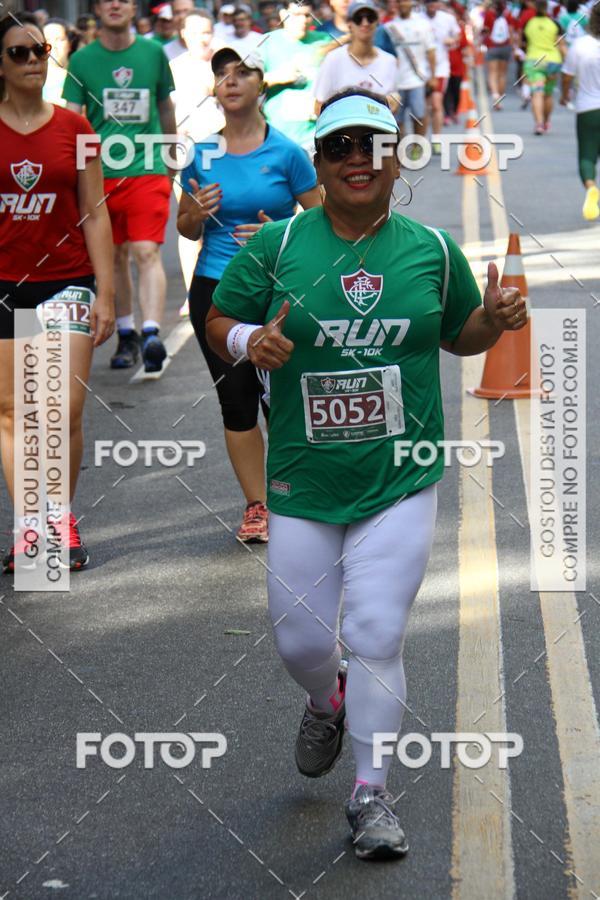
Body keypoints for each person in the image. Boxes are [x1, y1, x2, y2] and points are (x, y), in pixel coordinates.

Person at [205, 87, 526, 858]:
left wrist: (498, 318)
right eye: (340, 146)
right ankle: (326, 699)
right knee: (301, 645)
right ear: (318, 160)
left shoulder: (432, 250)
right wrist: (252, 341)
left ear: (396, 159)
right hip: (303, 482)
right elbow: (219, 320)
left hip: (400, 476)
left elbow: (461, 336)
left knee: (377, 629)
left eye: (372, 146)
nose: (357, 158)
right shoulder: (277, 247)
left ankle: (371, 794)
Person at [177, 47, 321, 542]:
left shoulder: (286, 153)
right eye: (222, 74)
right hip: (218, 289)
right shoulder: (199, 153)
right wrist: (194, 213)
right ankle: (258, 506)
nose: (231, 81)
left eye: (243, 73)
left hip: (278, 289)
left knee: (283, 397)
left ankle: (297, 494)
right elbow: (185, 227)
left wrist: (278, 229)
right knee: (235, 399)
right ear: (214, 90)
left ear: (263, 85)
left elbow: (324, 224)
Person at [0, 12, 114, 573]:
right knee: (13, 410)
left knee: (61, 408)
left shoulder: (76, 130)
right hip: (3, 286)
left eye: (38, 50)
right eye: (18, 53)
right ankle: (28, 528)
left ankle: (59, 517)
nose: (31, 61)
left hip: (66, 279)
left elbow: (95, 212)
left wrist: (108, 293)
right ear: (0, 64)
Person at [64, 0, 176, 373]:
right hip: (98, 173)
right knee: (112, 257)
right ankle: (126, 334)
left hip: (146, 166)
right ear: (97, 8)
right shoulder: (81, 61)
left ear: (133, 9)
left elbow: (165, 108)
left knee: (146, 251)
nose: (115, 4)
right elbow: (70, 116)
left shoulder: (154, 53)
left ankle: (152, 333)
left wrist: (171, 156)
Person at [170, 9, 224, 311]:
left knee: (221, 215)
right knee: (189, 217)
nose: (203, 38)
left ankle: (224, 287)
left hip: (223, 150)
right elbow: (166, 112)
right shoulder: (174, 68)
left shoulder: (225, 64)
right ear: (184, 35)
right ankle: (194, 291)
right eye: (196, 32)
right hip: (187, 150)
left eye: (207, 31)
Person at [260, 0, 330, 148]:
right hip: (279, 135)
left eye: (307, 15)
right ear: (283, 14)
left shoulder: (324, 40)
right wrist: (276, 77)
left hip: (316, 135)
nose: (303, 21)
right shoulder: (266, 42)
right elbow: (247, 84)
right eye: (296, 15)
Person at [314, 0, 398, 113]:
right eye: (358, 18)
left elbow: (392, 108)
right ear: (349, 24)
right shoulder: (333, 59)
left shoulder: (389, 61)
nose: (365, 23)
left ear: (377, 22)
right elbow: (318, 106)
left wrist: (393, 102)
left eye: (370, 17)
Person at [560, 2, 600, 220]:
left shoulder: (580, 45)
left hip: (588, 108)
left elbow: (566, 76)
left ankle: (591, 186)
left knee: (587, 155)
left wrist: (565, 95)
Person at [384, 0, 436, 144]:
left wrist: (433, 76)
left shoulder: (422, 25)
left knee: (419, 115)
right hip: (396, 82)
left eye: (406, 1)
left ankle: (418, 146)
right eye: (400, 2)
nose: (403, 4)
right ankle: (401, 147)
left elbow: (431, 51)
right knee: (396, 118)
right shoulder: (389, 27)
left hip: (417, 79)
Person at [422, 0, 460, 151]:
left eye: (434, 3)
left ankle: (436, 139)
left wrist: (452, 40)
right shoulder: (418, 19)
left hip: (440, 68)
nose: (432, 6)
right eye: (429, 3)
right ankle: (422, 140)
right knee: (423, 108)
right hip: (421, 70)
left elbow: (457, 36)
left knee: (436, 104)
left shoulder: (447, 18)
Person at [522, 0, 565, 134]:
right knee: (548, 94)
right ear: (547, 8)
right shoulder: (555, 24)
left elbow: (523, 43)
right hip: (552, 61)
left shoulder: (529, 24)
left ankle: (539, 123)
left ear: (535, 7)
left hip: (534, 62)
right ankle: (546, 121)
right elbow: (562, 45)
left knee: (537, 93)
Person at [481, 0, 513, 108]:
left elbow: (485, 30)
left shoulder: (489, 14)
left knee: (492, 73)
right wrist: (513, 48)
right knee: (502, 74)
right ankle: (500, 98)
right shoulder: (508, 14)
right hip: (505, 46)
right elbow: (512, 31)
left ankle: (495, 96)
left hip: (492, 46)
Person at [42, 17, 71, 105]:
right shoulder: (34, 80)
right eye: (48, 40)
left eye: (59, 39)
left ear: (69, 43)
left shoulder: (79, 78)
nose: (53, 46)